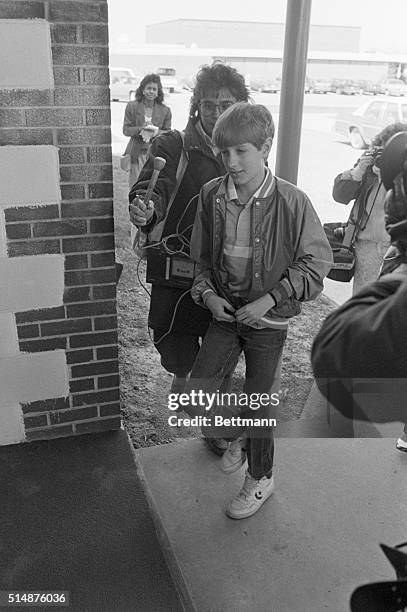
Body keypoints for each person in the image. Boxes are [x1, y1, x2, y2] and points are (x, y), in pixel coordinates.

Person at [184, 102, 332, 519]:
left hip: (267, 322)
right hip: (224, 315)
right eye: (224, 153)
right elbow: (201, 263)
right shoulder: (211, 196)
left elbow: (316, 264)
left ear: (266, 147)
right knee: (196, 397)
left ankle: (261, 478)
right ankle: (241, 434)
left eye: (241, 152)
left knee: (260, 399)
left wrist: (270, 299)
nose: (231, 162)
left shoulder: (293, 201)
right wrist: (207, 296)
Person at [128, 62, 250, 409]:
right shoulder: (172, 143)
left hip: (226, 265)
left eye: (225, 105)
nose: (216, 113)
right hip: (177, 262)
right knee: (173, 333)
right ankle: (182, 376)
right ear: (197, 105)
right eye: (209, 104)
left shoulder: (247, 150)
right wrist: (146, 206)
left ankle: (214, 394)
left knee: (221, 331)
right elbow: (155, 185)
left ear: (240, 106)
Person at [312, 131, 407, 441]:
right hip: (371, 247)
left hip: (392, 249)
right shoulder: (367, 171)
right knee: (371, 309)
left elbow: (334, 350)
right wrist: (359, 170)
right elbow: (341, 192)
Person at [332, 122, 407, 294]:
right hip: (367, 243)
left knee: (393, 294)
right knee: (364, 293)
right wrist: (357, 172)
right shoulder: (368, 165)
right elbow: (339, 196)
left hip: (396, 244)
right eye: (383, 153)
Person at [123, 73, 172, 189]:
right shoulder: (132, 106)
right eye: (148, 88)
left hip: (155, 155)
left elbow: (168, 133)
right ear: (143, 90)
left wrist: (156, 132)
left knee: (151, 187)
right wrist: (141, 129)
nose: (151, 91)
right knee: (135, 187)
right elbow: (126, 130)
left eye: (154, 89)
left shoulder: (165, 110)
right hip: (136, 153)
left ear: (158, 92)